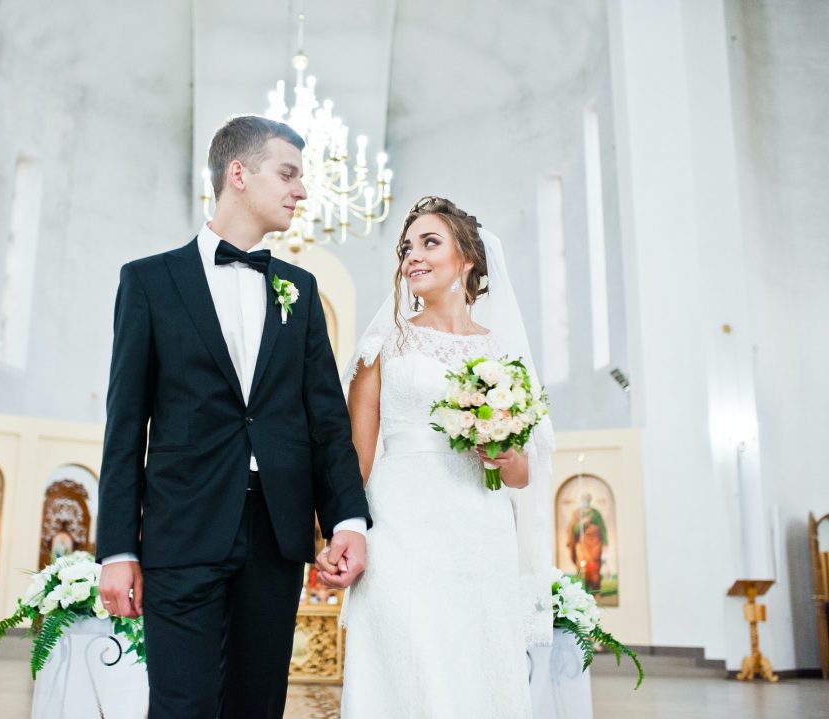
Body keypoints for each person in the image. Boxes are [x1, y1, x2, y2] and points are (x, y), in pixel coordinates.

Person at [95, 115, 371, 719]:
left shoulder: (298, 291)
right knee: (182, 706)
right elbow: (125, 425)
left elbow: (326, 422)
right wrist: (117, 548)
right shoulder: (148, 282)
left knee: (257, 705)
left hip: (275, 533)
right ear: (238, 174)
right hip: (182, 529)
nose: (301, 191)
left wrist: (348, 519)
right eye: (289, 174)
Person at [337, 196, 554, 718]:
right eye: (406, 247)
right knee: (407, 656)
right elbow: (355, 454)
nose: (412, 255)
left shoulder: (501, 351)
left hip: (479, 529)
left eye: (430, 242)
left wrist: (501, 452)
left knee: (473, 660)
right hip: (400, 526)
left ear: (468, 259)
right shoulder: (385, 339)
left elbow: (522, 472)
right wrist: (343, 530)